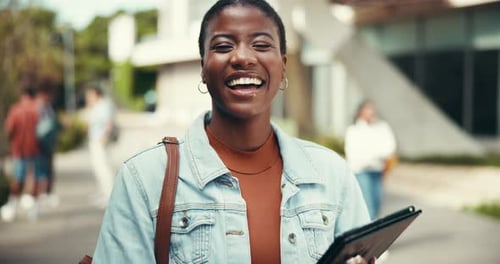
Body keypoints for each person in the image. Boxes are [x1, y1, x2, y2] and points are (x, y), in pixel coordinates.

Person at [92, 1, 373, 263]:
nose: (242, 57)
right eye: (224, 46)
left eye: (261, 45)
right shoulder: (144, 178)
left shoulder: (331, 173)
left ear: (283, 65)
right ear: (203, 68)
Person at [345, 100, 397, 221]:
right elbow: (353, 153)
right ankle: (370, 234)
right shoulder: (353, 130)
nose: (371, 112)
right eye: (368, 109)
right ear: (360, 112)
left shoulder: (382, 127)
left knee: (377, 202)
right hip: (361, 171)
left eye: (372, 109)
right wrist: (375, 152)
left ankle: (371, 231)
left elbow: (390, 148)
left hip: (377, 170)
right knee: (369, 206)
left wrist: (370, 153)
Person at [1, 86, 41, 222]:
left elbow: (9, 128)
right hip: (35, 149)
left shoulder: (16, 110)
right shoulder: (37, 110)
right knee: (34, 178)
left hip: (19, 150)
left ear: (23, 96)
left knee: (18, 178)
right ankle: (34, 208)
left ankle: (12, 205)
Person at [85, 85, 116, 208]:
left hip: (100, 141)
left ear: (96, 94)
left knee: (103, 168)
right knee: (99, 168)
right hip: (96, 140)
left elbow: (108, 123)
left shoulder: (103, 105)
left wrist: (104, 138)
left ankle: (109, 195)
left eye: (89, 94)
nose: (88, 97)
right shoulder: (97, 106)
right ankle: (104, 193)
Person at [35, 85, 61, 208]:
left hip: (49, 143)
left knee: (49, 169)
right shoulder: (36, 108)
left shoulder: (49, 108)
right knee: (40, 169)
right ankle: (41, 193)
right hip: (39, 144)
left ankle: (48, 193)